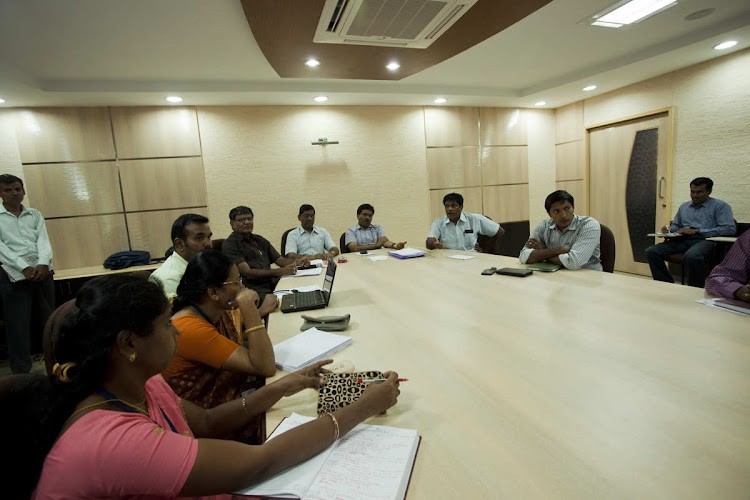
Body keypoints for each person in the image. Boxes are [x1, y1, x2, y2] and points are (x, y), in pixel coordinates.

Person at [1, 273, 399, 499]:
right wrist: (361, 407)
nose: (175, 329)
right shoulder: (111, 441)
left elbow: (205, 423)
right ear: (128, 343)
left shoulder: (138, 382)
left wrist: (283, 386)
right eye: (164, 324)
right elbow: (258, 465)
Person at [163, 250, 275, 409]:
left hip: (229, 402)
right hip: (204, 420)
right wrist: (247, 306)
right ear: (213, 292)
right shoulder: (189, 328)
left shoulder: (217, 310)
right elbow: (266, 366)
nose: (242, 287)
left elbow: (241, 336)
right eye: (236, 282)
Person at [150, 213, 278, 318]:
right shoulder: (168, 279)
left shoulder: (204, 267)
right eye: (199, 238)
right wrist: (260, 312)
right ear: (179, 244)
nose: (208, 244)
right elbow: (196, 327)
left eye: (209, 237)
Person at [0, 174, 55, 374]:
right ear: (0, 193)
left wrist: (42, 264)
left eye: (17, 189)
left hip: (42, 272)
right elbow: (2, 249)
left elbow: (43, 240)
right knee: (18, 326)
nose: (14, 193)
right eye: (8, 190)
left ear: (23, 190)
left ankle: (55, 364)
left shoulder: (34, 214)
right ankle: (21, 372)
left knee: (50, 321)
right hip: (13, 276)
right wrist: (23, 266)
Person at [645, 177, 735, 287]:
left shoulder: (721, 206)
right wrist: (669, 229)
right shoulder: (684, 207)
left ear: (709, 191)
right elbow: (676, 225)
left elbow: (729, 229)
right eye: (692, 191)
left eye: (699, 192)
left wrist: (697, 231)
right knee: (651, 251)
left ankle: (696, 288)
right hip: (682, 240)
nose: (695, 195)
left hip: (705, 241)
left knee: (692, 256)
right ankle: (666, 285)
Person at [222, 206, 308, 301]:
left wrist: (298, 262)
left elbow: (281, 261)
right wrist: (281, 271)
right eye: (241, 220)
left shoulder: (259, 240)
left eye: (249, 219)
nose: (247, 222)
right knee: (289, 301)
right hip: (254, 290)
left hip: (272, 284)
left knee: (302, 291)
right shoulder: (230, 244)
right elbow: (247, 273)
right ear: (232, 224)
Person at [519, 190, 602, 271]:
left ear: (573, 208)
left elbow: (573, 262)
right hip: (557, 276)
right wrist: (561, 250)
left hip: (588, 278)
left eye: (567, 208)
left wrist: (542, 253)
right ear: (549, 214)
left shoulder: (589, 225)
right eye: (556, 211)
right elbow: (523, 256)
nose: (563, 215)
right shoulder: (544, 226)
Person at [426, 192, 504, 251]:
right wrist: (433, 243)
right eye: (447, 206)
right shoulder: (438, 223)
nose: (449, 209)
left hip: (472, 259)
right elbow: (429, 241)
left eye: (453, 205)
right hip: (448, 260)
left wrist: (487, 249)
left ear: (461, 207)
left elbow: (499, 231)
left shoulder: (474, 219)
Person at [705, 230, 750, 302]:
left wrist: (699, 231)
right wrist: (738, 290)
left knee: (693, 256)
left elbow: (729, 228)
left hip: (704, 239)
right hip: (694, 238)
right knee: (692, 257)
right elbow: (718, 278)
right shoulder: (747, 239)